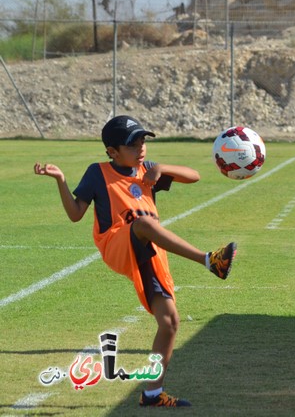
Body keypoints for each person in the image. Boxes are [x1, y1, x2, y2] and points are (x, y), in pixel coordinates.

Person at [33, 115, 237, 407]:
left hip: (149, 252)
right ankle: (209, 260)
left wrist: (161, 170)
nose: (141, 147)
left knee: (169, 323)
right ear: (112, 152)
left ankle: (152, 394)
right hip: (116, 243)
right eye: (132, 143)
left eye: (142, 140)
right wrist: (61, 180)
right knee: (142, 224)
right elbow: (76, 213)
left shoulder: (147, 171)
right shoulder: (98, 172)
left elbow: (195, 175)